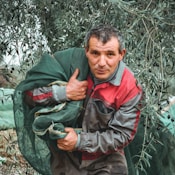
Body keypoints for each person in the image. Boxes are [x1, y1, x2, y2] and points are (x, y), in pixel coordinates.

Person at [23, 24, 142, 175]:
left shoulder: (130, 88)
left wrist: (79, 141)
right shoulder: (69, 63)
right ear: (86, 50)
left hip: (106, 160)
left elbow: (122, 135)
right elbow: (28, 94)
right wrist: (63, 92)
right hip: (65, 157)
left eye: (110, 54)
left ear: (121, 54)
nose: (101, 62)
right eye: (95, 53)